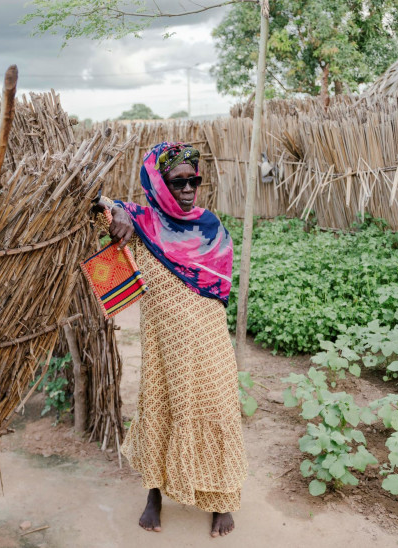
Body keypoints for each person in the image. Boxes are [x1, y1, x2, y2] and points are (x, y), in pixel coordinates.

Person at [92, 142, 247, 537]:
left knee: (217, 406)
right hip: (163, 346)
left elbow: (221, 283)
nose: (189, 188)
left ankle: (222, 500)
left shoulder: (210, 226)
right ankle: (154, 495)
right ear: (159, 184)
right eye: (178, 181)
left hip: (210, 340)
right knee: (161, 406)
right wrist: (122, 212)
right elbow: (94, 203)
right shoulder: (141, 225)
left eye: (194, 180)